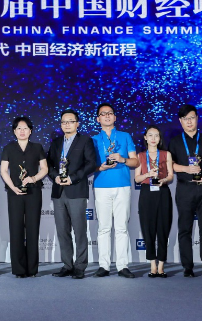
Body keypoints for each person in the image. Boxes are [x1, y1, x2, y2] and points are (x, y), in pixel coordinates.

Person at [168, 104, 202, 277]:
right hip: (185, 188)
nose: (189, 121)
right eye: (185, 119)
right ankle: (188, 267)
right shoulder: (175, 141)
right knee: (185, 229)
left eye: (192, 117)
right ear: (180, 121)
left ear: (197, 118)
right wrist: (186, 168)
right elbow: (171, 164)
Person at [47, 109, 98, 279]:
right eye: (64, 122)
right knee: (63, 231)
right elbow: (49, 165)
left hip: (76, 190)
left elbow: (91, 164)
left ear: (77, 123)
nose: (67, 124)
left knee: (79, 231)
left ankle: (80, 266)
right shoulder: (56, 143)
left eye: (70, 121)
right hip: (58, 191)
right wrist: (55, 176)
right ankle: (67, 265)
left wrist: (72, 178)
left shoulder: (85, 141)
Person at [91, 103, 139, 278]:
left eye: (110, 113)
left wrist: (122, 159)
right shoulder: (93, 140)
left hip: (122, 186)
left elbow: (135, 162)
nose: (107, 116)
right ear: (98, 119)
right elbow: (88, 166)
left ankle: (122, 266)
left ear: (115, 117)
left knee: (121, 228)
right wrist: (100, 167)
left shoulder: (125, 136)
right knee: (104, 228)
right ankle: (103, 266)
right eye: (103, 114)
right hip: (101, 186)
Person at [0, 116, 48, 278]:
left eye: (25, 128)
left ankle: (32, 269)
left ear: (30, 131)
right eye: (19, 128)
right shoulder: (8, 148)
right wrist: (12, 187)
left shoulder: (37, 147)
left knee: (33, 228)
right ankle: (19, 269)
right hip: (15, 193)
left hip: (34, 192)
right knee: (16, 228)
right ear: (14, 131)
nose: (22, 131)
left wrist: (33, 179)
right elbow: (3, 171)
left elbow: (44, 169)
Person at [134, 125, 174, 278]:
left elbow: (170, 175)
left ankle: (161, 265)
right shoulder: (140, 156)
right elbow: (137, 179)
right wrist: (147, 175)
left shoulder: (166, 154)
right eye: (150, 135)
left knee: (163, 228)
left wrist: (163, 180)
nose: (153, 138)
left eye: (156, 135)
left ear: (159, 138)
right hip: (146, 193)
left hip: (162, 192)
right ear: (145, 137)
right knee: (148, 229)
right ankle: (152, 265)